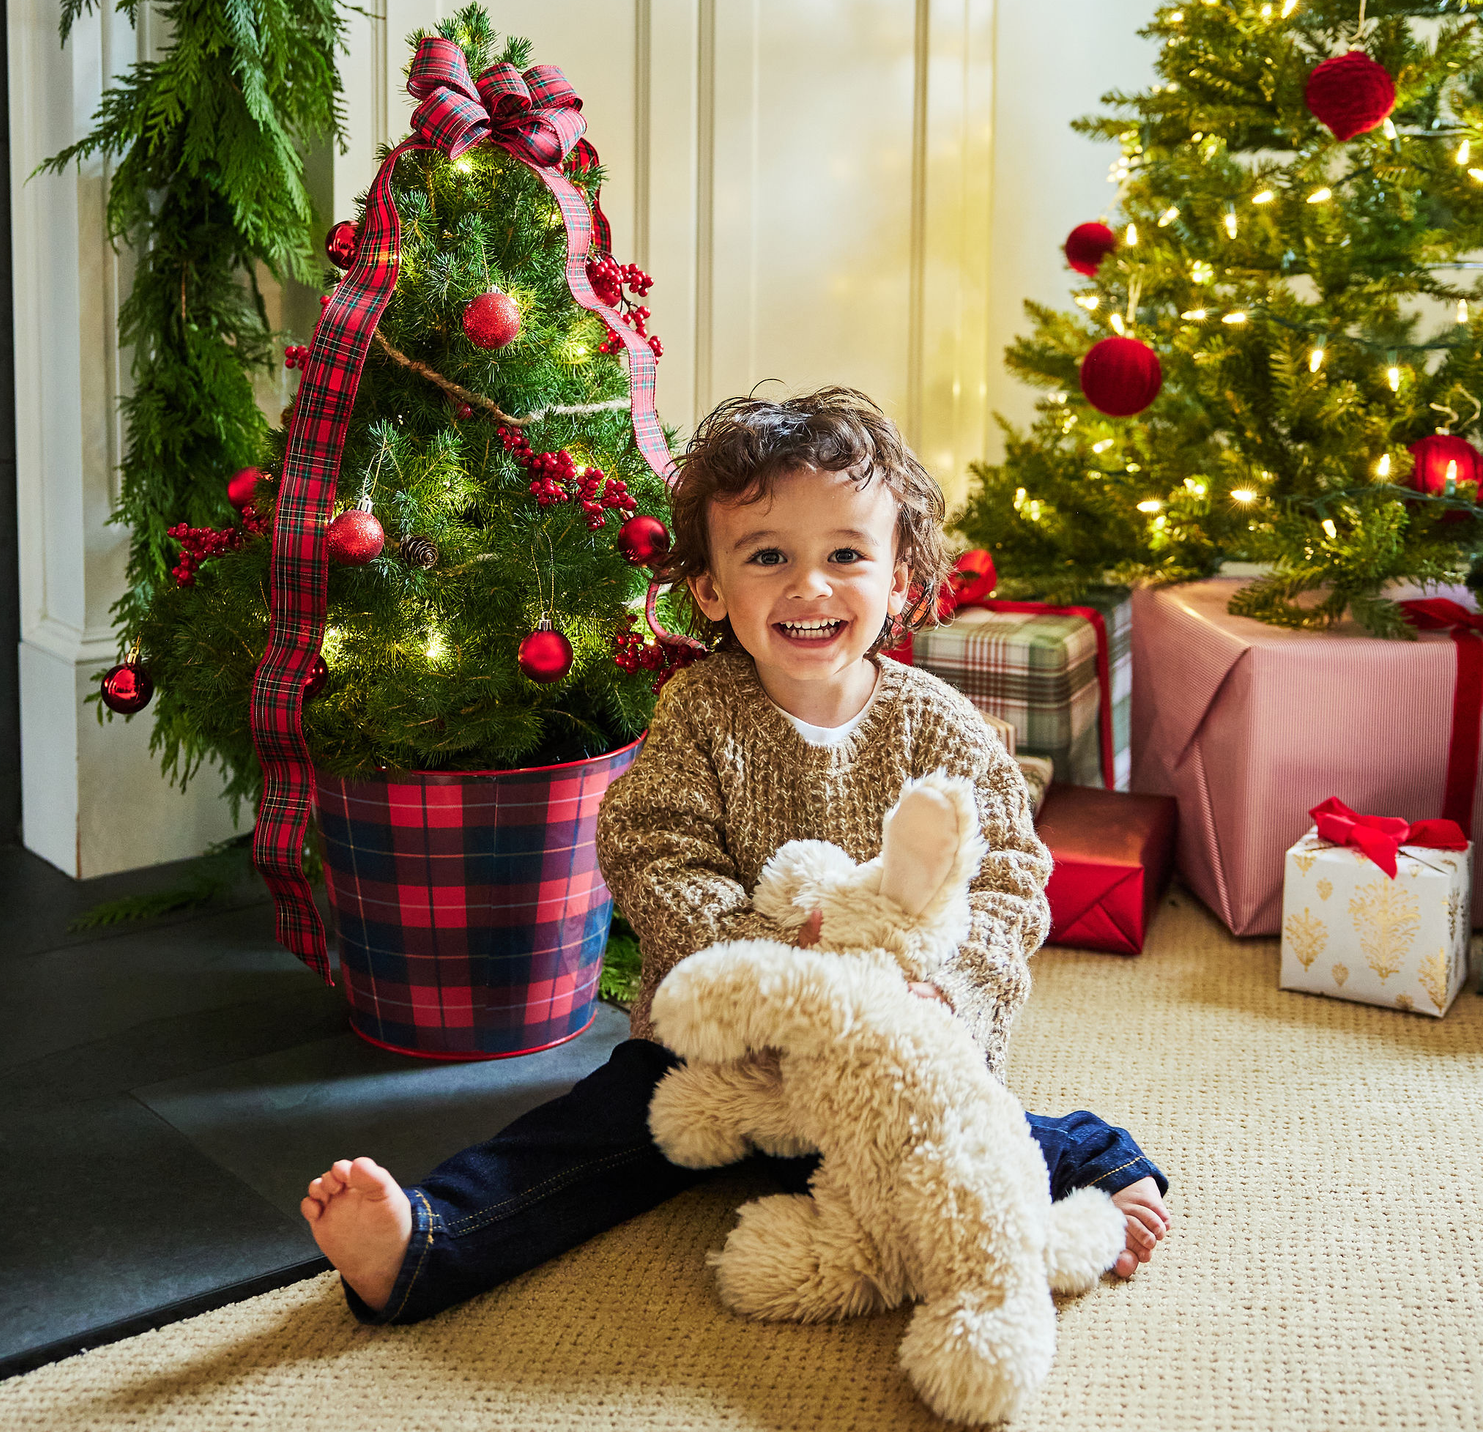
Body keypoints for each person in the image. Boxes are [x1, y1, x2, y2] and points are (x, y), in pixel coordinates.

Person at [301, 387, 1170, 1325]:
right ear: (712, 588)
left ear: (902, 574)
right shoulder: (700, 712)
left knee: (954, 1138)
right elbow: (652, 848)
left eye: (847, 555)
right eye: (768, 557)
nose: (810, 587)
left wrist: (946, 988)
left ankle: (1096, 1158)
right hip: (720, 1056)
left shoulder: (943, 727)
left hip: (888, 1053)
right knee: (591, 1130)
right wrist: (772, 958)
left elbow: (1007, 882)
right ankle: (429, 1243)